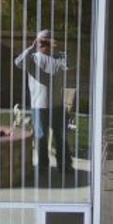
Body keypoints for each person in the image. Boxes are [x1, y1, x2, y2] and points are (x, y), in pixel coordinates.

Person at [14, 29, 73, 174]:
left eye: (48, 40)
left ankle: (65, 165)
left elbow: (71, 65)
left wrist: (58, 49)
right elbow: (18, 63)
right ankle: (43, 167)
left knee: (61, 136)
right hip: (38, 106)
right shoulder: (32, 57)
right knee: (40, 137)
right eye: (43, 40)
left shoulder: (59, 57)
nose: (45, 43)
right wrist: (32, 47)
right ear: (37, 41)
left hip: (58, 106)